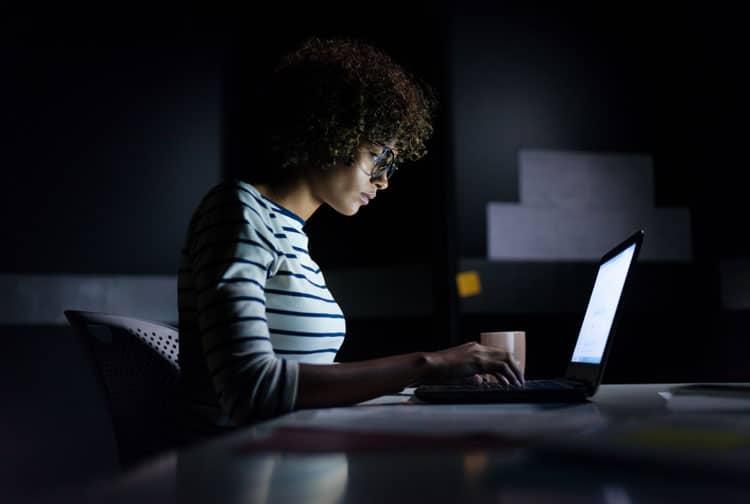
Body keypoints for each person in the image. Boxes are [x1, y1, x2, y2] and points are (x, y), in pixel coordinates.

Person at [176, 37, 524, 435]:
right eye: (378, 157)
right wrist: (429, 364)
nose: (383, 181)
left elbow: (310, 377)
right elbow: (250, 389)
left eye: (391, 165)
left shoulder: (292, 236)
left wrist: (426, 381)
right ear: (329, 132)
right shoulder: (237, 210)